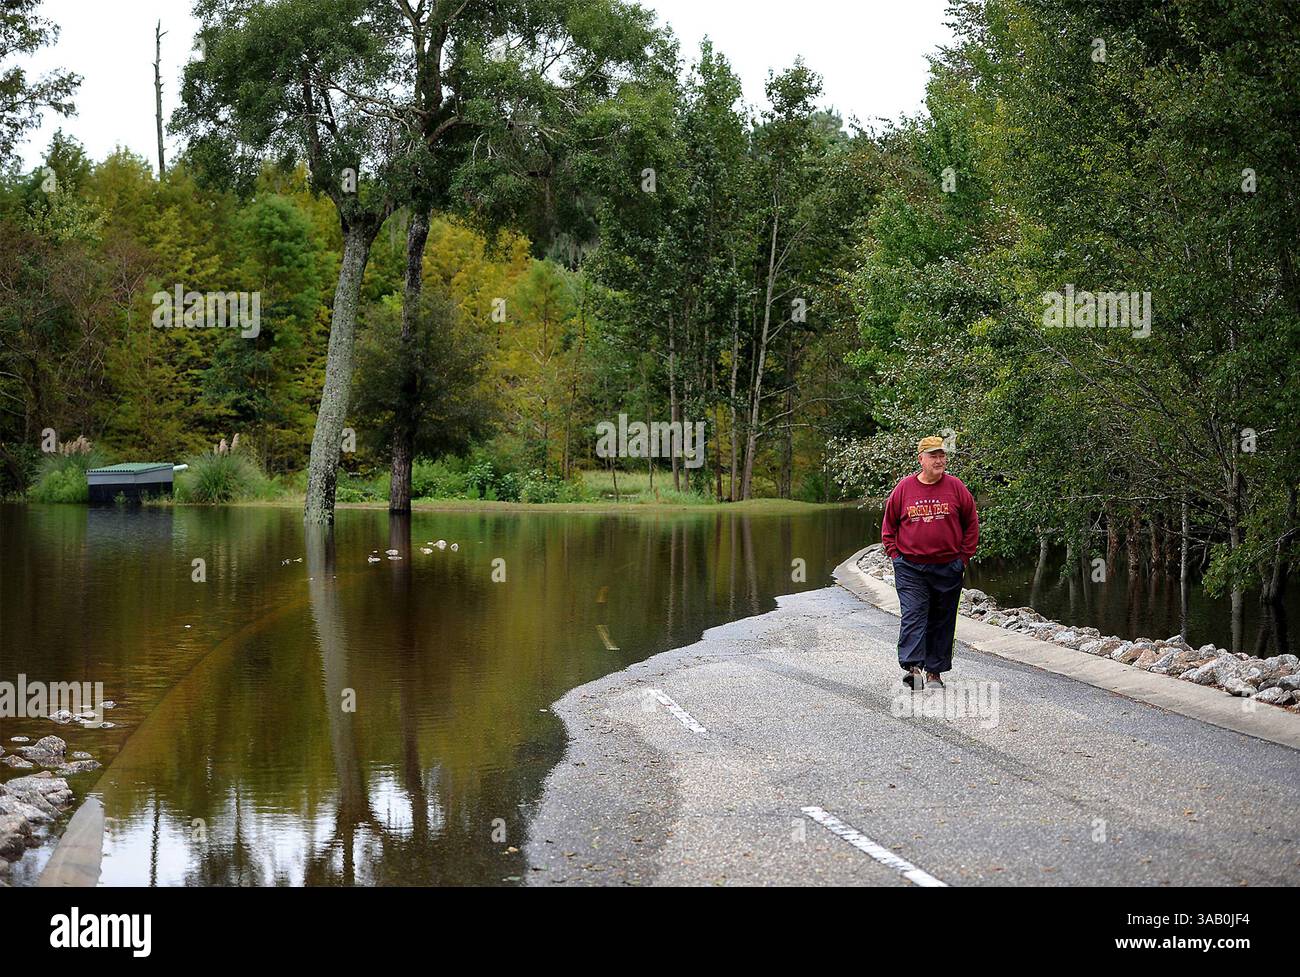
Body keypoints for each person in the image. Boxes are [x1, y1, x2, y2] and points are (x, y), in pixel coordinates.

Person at [880, 436, 979, 690]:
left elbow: (971, 523)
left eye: (942, 455)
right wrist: (896, 556)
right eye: (933, 456)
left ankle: (934, 672)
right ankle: (913, 669)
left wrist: (962, 558)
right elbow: (889, 526)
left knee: (942, 618)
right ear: (921, 459)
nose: (939, 460)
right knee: (914, 614)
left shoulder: (956, 487)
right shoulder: (904, 488)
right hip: (911, 567)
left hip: (948, 567)